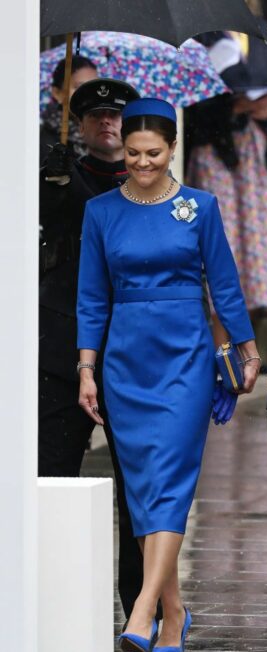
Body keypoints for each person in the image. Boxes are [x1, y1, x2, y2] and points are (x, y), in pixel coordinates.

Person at [76, 97, 260, 652]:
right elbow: (91, 297)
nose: (142, 163)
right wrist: (87, 368)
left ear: (173, 147)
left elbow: (224, 285)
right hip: (125, 360)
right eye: (132, 153)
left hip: (185, 355)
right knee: (142, 490)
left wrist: (247, 350)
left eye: (153, 153)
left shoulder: (200, 207)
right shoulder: (101, 211)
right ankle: (174, 613)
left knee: (172, 479)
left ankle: (143, 610)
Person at [39, 78, 143, 622]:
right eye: (95, 116)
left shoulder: (149, 184)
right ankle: (47, 600)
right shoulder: (55, 175)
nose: (106, 123)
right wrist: (50, 183)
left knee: (139, 494)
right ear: (78, 125)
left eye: (116, 115)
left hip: (128, 354)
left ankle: (142, 608)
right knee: (51, 477)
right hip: (60, 348)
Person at [185, 5, 267, 364]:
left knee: (262, 249)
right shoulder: (201, 30)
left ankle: (260, 353)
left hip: (258, 153)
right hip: (218, 152)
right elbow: (191, 101)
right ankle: (222, 353)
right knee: (223, 244)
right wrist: (230, 108)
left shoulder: (261, 30)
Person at [40, 55, 98, 162]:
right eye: (79, 87)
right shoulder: (45, 144)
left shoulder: (105, 133)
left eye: (94, 87)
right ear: (57, 93)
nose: (88, 94)